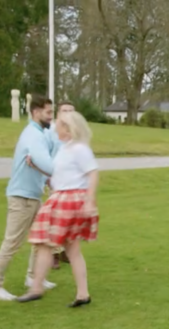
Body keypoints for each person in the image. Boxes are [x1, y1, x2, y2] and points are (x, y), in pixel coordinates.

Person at [16, 111, 99, 306]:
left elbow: (93, 173)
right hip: (61, 198)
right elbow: (59, 174)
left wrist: (89, 200)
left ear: (69, 129)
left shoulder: (80, 149)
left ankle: (40, 288)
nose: (55, 126)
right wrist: (37, 168)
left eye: (60, 124)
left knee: (57, 245)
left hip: (70, 200)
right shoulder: (65, 148)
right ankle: (78, 293)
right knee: (59, 246)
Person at [0, 95, 58, 301]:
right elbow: (45, 162)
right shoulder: (33, 136)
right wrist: (65, 173)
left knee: (42, 239)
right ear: (35, 112)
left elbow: (40, 166)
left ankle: (34, 277)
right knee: (12, 243)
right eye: (48, 113)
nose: (50, 117)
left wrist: (47, 179)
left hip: (33, 196)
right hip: (22, 197)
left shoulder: (38, 134)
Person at [46, 101, 76, 270]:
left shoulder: (76, 133)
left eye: (71, 111)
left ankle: (66, 250)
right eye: (64, 111)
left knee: (70, 219)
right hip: (55, 181)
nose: (67, 114)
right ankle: (54, 254)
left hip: (72, 183)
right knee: (55, 218)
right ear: (58, 113)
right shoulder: (51, 132)